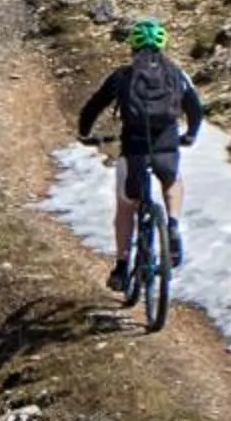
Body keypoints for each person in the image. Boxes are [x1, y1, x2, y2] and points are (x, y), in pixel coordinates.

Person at [76, 18, 205, 295]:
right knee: (172, 181)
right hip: (166, 145)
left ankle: (122, 267)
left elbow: (94, 106)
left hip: (134, 148)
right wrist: (190, 134)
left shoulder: (123, 75)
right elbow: (195, 108)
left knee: (125, 206)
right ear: (163, 45)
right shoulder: (177, 73)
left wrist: (84, 133)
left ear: (132, 46)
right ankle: (172, 225)